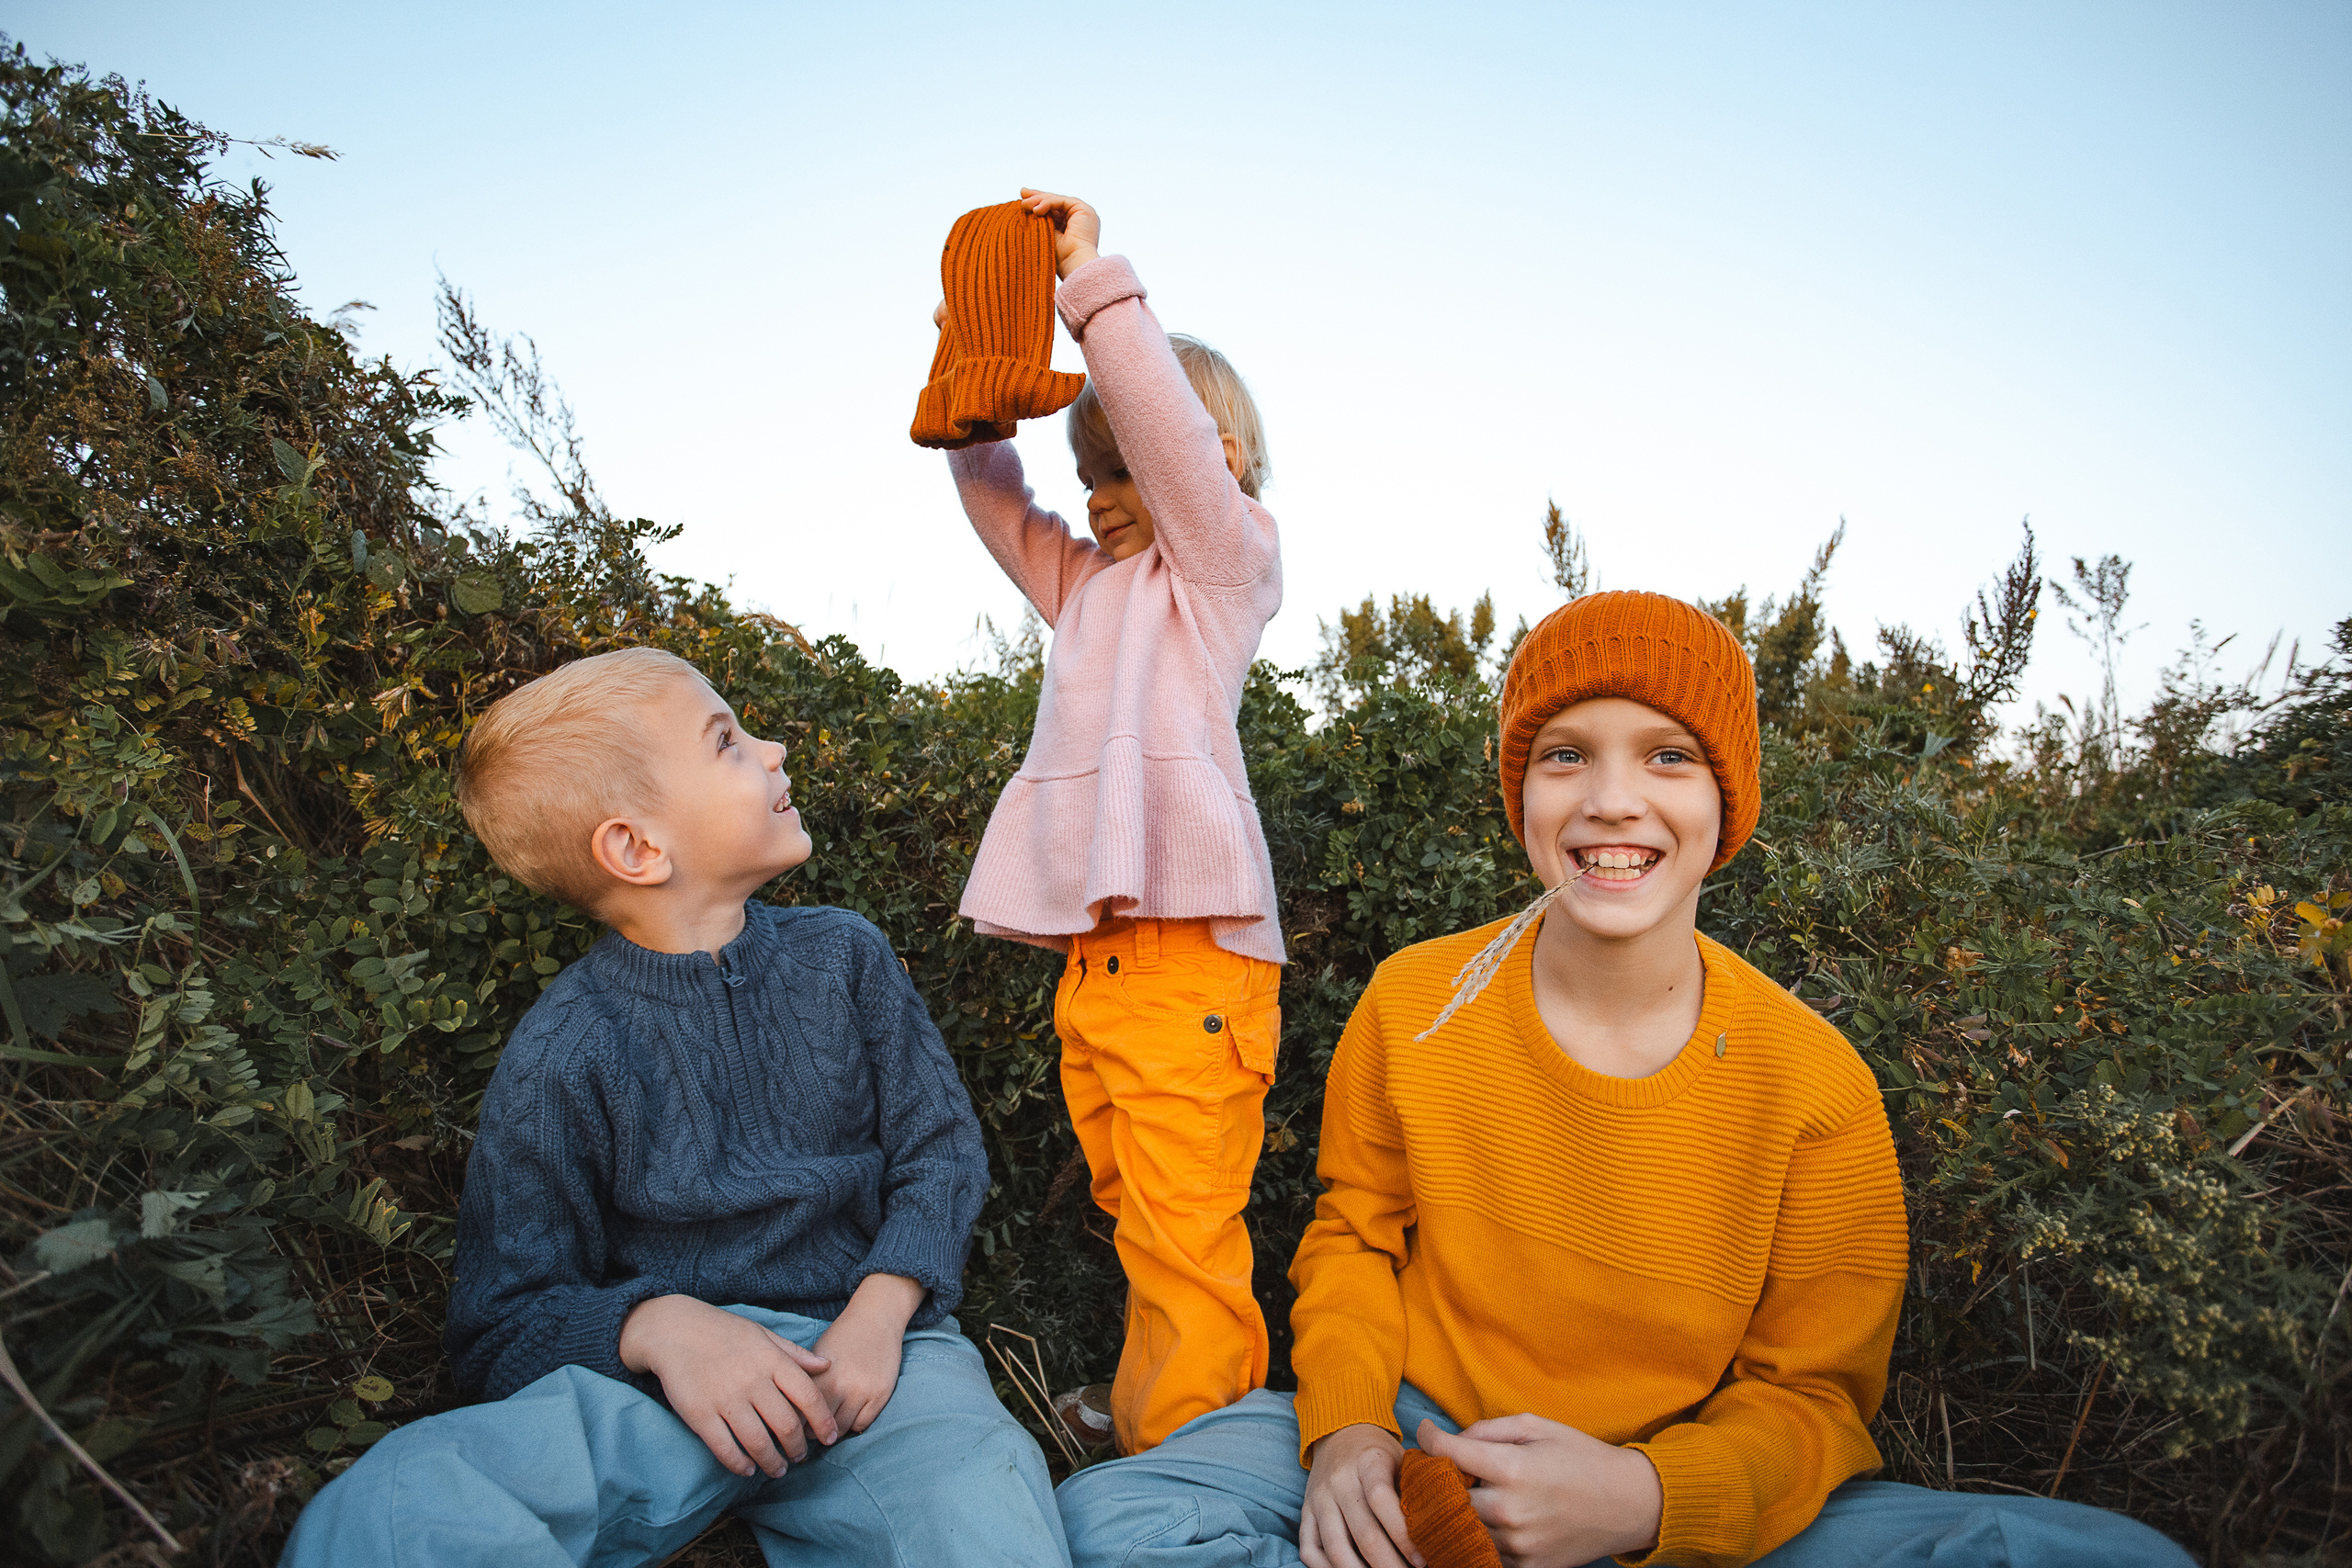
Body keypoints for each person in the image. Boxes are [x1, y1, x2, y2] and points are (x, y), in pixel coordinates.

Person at [1055, 592, 2196, 1567]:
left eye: (1667, 754)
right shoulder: (1416, 1001)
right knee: (1117, 1517)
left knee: (2118, 1558)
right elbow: (1354, 1239)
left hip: (1671, 1471)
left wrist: (1642, 1500)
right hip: (1423, 1441)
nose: (1610, 798)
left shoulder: (1815, 1084)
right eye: (1566, 753)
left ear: (1724, 799)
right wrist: (1348, 1435)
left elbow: (1814, 1398)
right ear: (1523, 793)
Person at [280, 646, 1069, 1568]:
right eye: (728, 742)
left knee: (983, 1497)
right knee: (391, 1510)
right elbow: (502, 1319)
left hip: (881, 1373)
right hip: (666, 1393)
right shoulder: (562, 1048)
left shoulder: (842, 957)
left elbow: (939, 1150)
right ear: (636, 848)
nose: (773, 749)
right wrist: (658, 1329)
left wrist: (880, 1311)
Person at [937, 189, 1285, 1456]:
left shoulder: (1221, 566)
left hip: (1193, 957)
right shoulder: (1089, 590)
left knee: (1186, 1223)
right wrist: (970, 377)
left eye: (1118, 468)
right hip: (1101, 969)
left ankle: (1200, 1473)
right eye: (1088, 478)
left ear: (1213, 456)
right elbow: (995, 506)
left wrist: (1095, 290)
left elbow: (1171, 447)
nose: (1097, 498)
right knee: (1146, 1211)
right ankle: (1156, 1416)